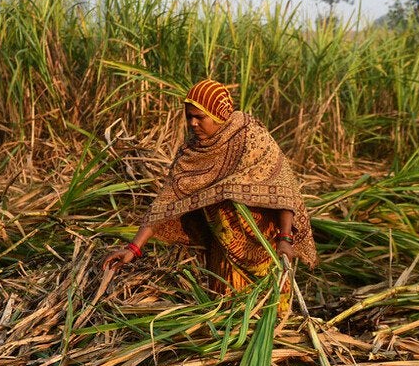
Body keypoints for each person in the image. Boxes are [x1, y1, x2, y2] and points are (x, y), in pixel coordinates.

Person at [103, 79, 317, 308]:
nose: (193, 123)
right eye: (188, 117)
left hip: (266, 244)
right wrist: (133, 249)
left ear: (219, 114)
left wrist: (285, 239)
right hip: (223, 247)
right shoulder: (191, 153)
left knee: (270, 309)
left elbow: (283, 190)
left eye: (199, 117)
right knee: (228, 311)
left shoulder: (252, 138)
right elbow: (165, 202)